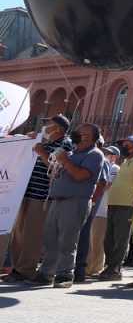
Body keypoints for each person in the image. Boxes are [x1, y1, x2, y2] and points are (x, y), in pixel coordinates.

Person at [29, 123, 105, 288]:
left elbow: (80, 176)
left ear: (93, 138)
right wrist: (43, 154)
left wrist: (65, 161)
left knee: (67, 240)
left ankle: (65, 274)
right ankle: (46, 273)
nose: (79, 135)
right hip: (57, 200)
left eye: (84, 133)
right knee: (50, 239)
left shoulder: (95, 155)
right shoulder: (70, 153)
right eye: (78, 132)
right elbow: (54, 168)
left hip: (75, 201)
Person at [1, 115, 72, 283]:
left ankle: (26, 270)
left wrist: (41, 153)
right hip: (24, 193)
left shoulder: (65, 144)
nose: (44, 126)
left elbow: (58, 168)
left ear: (58, 129)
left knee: (31, 234)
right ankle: (18, 268)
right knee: (19, 233)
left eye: (48, 124)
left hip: (41, 196)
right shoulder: (43, 141)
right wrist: (29, 141)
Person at [100, 135, 133, 282]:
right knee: (109, 239)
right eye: (124, 144)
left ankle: (115, 269)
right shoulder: (125, 162)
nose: (124, 147)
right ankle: (109, 266)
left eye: (128, 145)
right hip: (113, 203)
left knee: (120, 238)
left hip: (127, 205)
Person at [73, 135, 114, 283]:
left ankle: (79, 270)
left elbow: (102, 183)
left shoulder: (100, 158)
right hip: (81, 201)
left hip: (90, 203)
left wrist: (93, 201)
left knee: (83, 235)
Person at [86, 145, 120, 278]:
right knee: (91, 239)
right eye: (106, 152)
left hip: (104, 210)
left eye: (110, 153)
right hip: (97, 209)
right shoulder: (104, 165)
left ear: (115, 156)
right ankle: (90, 266)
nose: (106, 154)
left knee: (97, 240)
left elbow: (107, 184)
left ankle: (95, 268)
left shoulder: (115, 168)